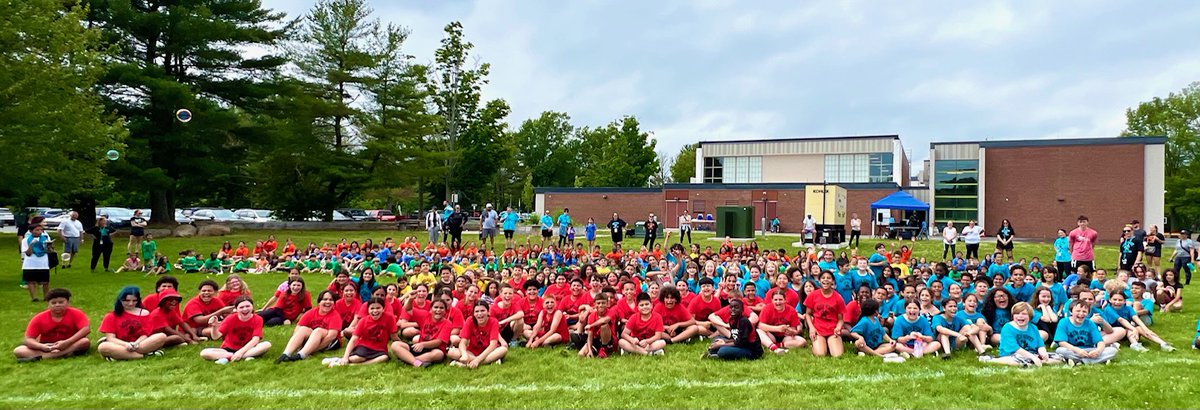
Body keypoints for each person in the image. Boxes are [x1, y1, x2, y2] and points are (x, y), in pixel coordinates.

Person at [14, 288, 91, 362]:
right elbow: (28, 339)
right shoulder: (39, 318)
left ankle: (44, 357)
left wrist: (67, 342)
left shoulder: (76, 313)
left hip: (69, 344)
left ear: (68, 303)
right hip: (47, 346)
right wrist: (42, 346)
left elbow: (86, 329)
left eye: (61, 302)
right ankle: (59, 355)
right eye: (53, 303)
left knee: (85, 342)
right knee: (19, 350)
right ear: (48, 304)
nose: (57, 305)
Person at [97, 286, 168, 360]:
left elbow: (145, 334)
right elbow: (111, 338)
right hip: (121, 345)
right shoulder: (111, 316)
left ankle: (121, 355)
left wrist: (136, 344)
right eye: (127, 301)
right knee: (103, 347)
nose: (131, 304)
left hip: (141, 344)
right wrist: (126, 344)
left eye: (134, 301)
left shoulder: (144, 313)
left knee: (161, 336)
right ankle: (143, 355)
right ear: (120, 300)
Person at [984, 302, 1059, 367]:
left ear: (1029, 317)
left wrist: (1043, 353)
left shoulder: (1033, 327)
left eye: (1024, 314)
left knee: (1058, 358)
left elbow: (1040, 345)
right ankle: (991, 359)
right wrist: (1033, 357)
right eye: (1017, 313)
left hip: (1032, 353)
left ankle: (1032, 362)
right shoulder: (1007, 327)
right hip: (1012, 355)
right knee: (1015, 361)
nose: (1020, 316)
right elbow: (1015, 349)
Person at [201, 296, 272, 364]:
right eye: (241, 307)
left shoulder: (258, 319)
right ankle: (241, 356)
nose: (245, 309)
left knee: (267, 345)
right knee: (204, 353)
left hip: (248, 348)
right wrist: (214, 326)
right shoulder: (230, 318)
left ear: (252, 307)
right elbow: (215, 337)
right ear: (236, 309)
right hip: (228, 349)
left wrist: (240, 352)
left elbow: (255, 339)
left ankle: (229, 358)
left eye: (248, 306)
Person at [276, 290, 342, 363]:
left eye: (331, 300)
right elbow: (297, 329)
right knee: (303, 329)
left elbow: (331, 336)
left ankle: (301, 355)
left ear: (334, 303)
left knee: (318, 330)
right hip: (314, 338)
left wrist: (313, 349)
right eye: (325, 299)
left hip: (331, 341)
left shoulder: (335, 315)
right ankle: (286, 354)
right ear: (319, 303)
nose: (328, 302)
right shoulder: (311, 312)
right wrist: (299, 345)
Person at [1054, 300, 1117, 366]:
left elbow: (1100, 342)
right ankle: (1094, 361)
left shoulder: (1090, 323)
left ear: (1087, 313)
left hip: (1089, 350)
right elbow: (1061, 342)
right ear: (1071, 312)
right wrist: (1077, 350)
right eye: (1078, 311)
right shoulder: (1064, 322)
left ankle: (1080, 361)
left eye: (1084, 311)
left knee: (1112, 350)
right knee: (1060, 350)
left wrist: (1098, 351)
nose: (1081, 314)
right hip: (1072, 349)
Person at [448, 301, 508, 368]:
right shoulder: (470, 320)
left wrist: (477, 360)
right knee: (451, 352)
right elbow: (462, 342)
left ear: (488, 312)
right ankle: (489, 361)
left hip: (489, 351)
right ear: (473, 313)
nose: (479, 314)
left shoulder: (494, 321)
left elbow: (493, 345)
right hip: (472, 351)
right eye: (476, 311)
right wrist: (464, 354)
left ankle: (469, 364)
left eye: (482, 311)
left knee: (503, 349)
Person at [804, 271, 847, 357]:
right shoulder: (813, 295)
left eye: (828, 278)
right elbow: (808, 314)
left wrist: (838, 328)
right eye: (823, 278)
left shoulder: (838, 297)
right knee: (820, 354)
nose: (826, 280)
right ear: (819, 281)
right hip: (818, 329)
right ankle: (817, 344)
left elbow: (841, 319)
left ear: (833, 282)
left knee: (837, 355)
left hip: (832, 330)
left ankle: (830, 343)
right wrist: (811, 328)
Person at [757, 291, 806, 355]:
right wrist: (778, 328)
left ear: (785, 300)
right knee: (758, 331)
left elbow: (794, 328)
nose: (778, 302)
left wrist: (791, 331)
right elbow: (760, 325)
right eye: (775, 300)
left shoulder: (791, 310)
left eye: (780, 300)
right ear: (772, 300)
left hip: (785, 337)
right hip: (771, 335)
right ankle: (774, 347)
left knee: (803, 341)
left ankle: (778, 345)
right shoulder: (767, 308)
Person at [21, 216, 52, 302]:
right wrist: (31, 244)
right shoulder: (26, 240)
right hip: (30, 263)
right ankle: (34, 297)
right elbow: (28, 253)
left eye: (41, 230)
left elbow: (49, 251)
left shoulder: (45, 238)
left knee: (45, 281)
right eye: (37, 230)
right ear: (31, 231)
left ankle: (46, 297)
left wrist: (49, 247)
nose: (39, 232)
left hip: (43, 263)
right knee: (31, 281)